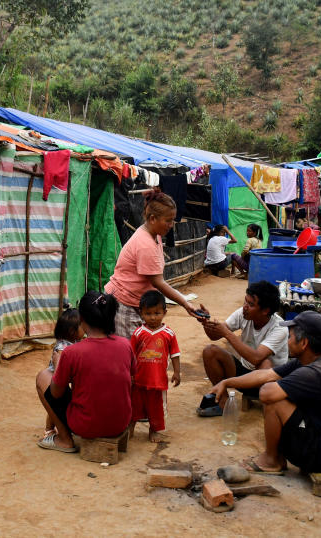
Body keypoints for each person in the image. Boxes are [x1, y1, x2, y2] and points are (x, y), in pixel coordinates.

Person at [208, 311, 321, 475]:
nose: (287, 341)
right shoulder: (307, 362)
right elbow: (266, 374)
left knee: (274, 399)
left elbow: (266, 394)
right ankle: (275, 456)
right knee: (277, 391)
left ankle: (272, 459)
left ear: (304, 343)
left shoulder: (314, 372)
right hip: (319, 441)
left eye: (290, 337)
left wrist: (277, 388)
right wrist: (227, 382)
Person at [35, 291, 134, 453]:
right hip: (120, 423)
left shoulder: (71, 352)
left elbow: (56, 393)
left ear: (82, 319)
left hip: (86, 426)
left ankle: (65, 440)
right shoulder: (125, 345)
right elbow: (131, 380)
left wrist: (58, 365)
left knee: (43, 375)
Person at [105, 190, 204, 338]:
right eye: (168, 220)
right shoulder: (145, 244)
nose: (171, 225)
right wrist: (185, 303)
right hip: (124, 304)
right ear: (152, 218)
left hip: (132, 302)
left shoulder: (153, 235)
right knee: (130, 354)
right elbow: (158, 282)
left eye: (172, 220)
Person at [196, 280, 285, 416]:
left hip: (267, 382)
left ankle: (270, 405)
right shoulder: (243, 313)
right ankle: (223, 402)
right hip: (244, 376)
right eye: (245, 301)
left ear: (265, 311)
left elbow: (256, 358)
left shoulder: (280, 328)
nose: (245, 307)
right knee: (210, 351)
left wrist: (226, 333)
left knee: (265, 363)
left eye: (250, 304)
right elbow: (214, 336)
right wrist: (206, 322)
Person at [130, 290, 181, 442]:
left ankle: (154, 430)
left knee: (156, 409)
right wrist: (130, 374)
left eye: (157, 313)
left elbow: (175, 355)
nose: (152, 317)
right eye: (148, 313)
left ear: (164, 312)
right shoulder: (138, 333)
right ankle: (130, 429)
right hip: (138, 380)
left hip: (158, 381)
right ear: (141, 313)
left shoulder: (168, 334)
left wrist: (177, 373)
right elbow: (130, 355)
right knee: (134, 407)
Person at [38, 308, 82, 439]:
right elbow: (60, 369)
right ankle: (49, 429)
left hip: (65, 377)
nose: (84, 328)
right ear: (72, 331)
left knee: (60, 404)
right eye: (81, 325)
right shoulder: (63, 348)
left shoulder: (74, 342)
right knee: (54, 404)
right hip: (55, 377)